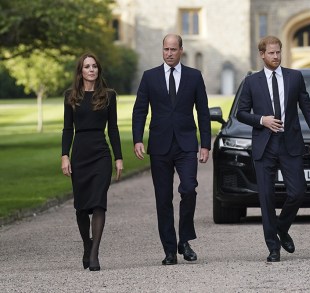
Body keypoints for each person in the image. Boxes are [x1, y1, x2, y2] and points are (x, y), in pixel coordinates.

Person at [236, 36, 310, 262]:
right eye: (271, 53)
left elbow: (308, 108)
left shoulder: (294, 77)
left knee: (298, 191)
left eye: (278, 52)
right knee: (266, 197)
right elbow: (241, 112)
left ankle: (282, 228)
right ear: (262, 55)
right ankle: (273, 247)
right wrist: (262, 120)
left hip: (290, 143)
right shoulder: (252, 82)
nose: (275, 56)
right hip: (264, 146)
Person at [132, 34, 211, 265]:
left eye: (173, 49)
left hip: (186, 144)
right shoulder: (149, 77)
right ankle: (169, 250)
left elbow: (203, 112)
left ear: (181, 50)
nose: (169, 53)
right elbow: (140, 111)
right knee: (163, 198)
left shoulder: (194, 76)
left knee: (188, 190)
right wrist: (138, 139)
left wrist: (205, 144)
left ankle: (184, 240)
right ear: (162, 50)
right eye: (166, 49)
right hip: (159, 145)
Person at [61, 53, 123, 271]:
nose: (91, 70)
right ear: (80, 71)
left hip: (101, 154)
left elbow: (113, 129)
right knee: (80, 208)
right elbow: (68, 128)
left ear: (98, 70)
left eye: (94, 66)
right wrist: (64, 155)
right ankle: (86, 245)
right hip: (79, 154)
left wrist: (118, 157)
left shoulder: (108, 95)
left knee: (98, 203)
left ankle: (94, 252)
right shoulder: (71, 96)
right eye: (87, 66)